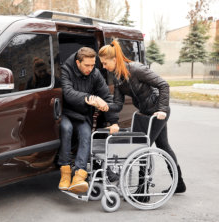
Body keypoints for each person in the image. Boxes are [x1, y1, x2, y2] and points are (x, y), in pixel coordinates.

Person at [85, 40, 186, 195]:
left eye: (105, 63)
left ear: (114, 59)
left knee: (141, 148)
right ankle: (179, 184)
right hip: (145, 112)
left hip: (158, 112)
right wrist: (102, 105)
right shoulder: (119, 78)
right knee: (163, 146)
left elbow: (163, 85)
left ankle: (141, 190)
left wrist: (163, 109)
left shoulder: (137, 69)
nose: (104, 67)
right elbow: (118, 105)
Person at [58, 47, 118, 194]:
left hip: (82, 115)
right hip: (66, 113)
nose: (90, 69)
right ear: (78, 62)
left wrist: (114, 121)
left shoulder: (95, 74)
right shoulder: (66, 70)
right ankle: (65, 174)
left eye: (93, 65)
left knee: (86, 135)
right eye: (87, 65)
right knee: (66, 129)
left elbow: (107, 97)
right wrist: (90, 98)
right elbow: (68, 93)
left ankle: (79, 175)